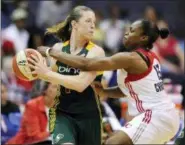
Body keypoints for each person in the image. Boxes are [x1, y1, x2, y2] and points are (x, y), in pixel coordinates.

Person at [29, 19, 179, 144]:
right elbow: (129, 90)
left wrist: (52, 52)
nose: (126, 33)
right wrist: (105, 92)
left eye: (132, 31)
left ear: (144, 38)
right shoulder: (150, 57)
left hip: (156, 116)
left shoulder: (131, 58)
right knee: (113, 140)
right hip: (166, 116)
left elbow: (86, 64)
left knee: (112, 143)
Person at [28, 6, 105, 145]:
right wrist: (35, 68)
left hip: (88, 116)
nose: (93, 25)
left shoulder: (96, 52)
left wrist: (47, 73)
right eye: (88, 21)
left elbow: (80, 84)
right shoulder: (58, 48)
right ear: (74, 24)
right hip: (63, 113)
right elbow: (49, 79)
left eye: (94, 22)